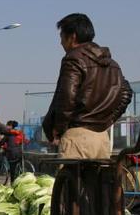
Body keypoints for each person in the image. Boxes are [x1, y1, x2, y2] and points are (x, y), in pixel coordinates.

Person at [42, 13, 133, 159]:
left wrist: (59, 129)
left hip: (77, 137)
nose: (60, 43)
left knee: (70, 180)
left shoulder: (73, 58)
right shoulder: (112, 64)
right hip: (102, 138)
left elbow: (67, 97)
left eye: (61, 37)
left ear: (72, 36)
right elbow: (126, 94)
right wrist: (108, 120)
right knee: (97, 181)